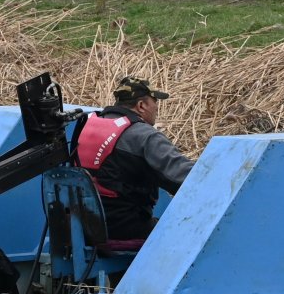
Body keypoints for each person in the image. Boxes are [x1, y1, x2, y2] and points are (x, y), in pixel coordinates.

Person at [73, 76, 195, 243]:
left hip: (81, 225)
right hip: (123, 227)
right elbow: (186, 178)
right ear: (141, 105)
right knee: (188, 233)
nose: (156, 108)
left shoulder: (86, 126)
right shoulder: (143, 135)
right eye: (154, 102)